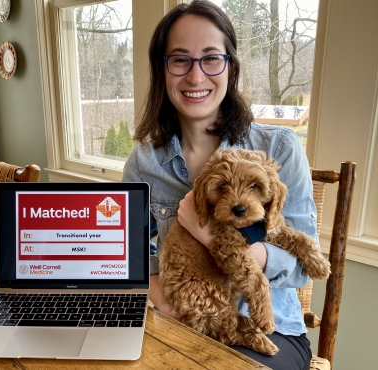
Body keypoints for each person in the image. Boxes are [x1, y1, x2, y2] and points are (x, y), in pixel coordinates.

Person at [122, 1, 315, 369]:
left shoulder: (279, 148)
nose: (196, 78)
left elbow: (304, 266)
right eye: (179, 60)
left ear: (231, 67)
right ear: (162, 70)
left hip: (269, 330)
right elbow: (134, 257)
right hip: (180, 318)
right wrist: (160, 295)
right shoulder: (143, 164)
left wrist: (214, 239)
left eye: (211, 58)